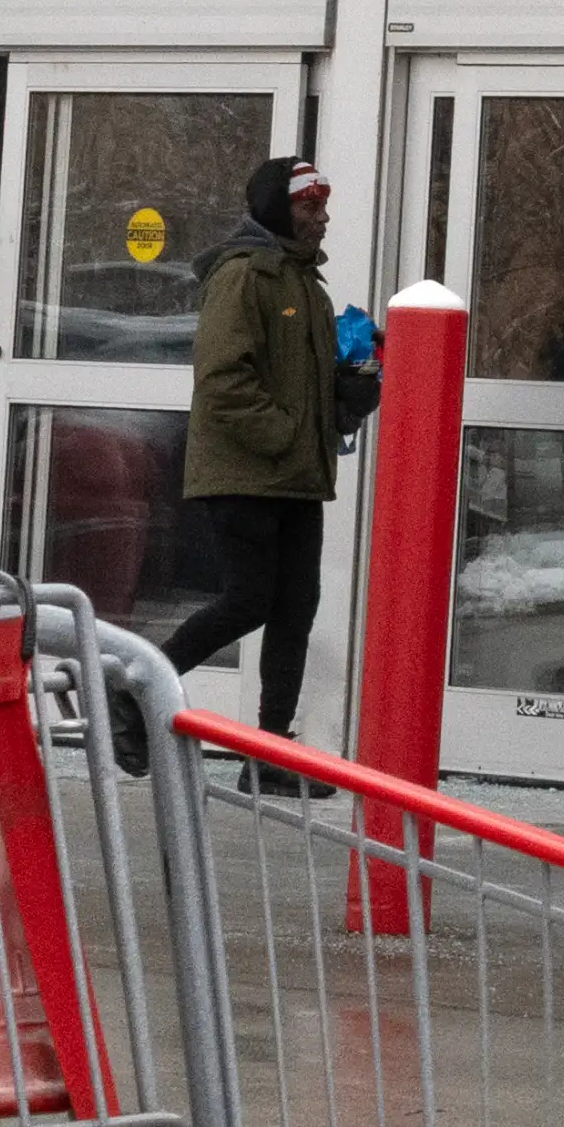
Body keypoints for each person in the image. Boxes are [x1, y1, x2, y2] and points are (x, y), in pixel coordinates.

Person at [170, 152, 340, 734]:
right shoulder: (243, 274)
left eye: (323, 205)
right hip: (246, 474)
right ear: (276, 208)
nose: (320, 217)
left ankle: (271, 753)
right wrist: (286, 435)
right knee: (248, 602)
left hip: (296, 477)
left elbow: (306, 385)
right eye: (307, 205)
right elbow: (221, 379)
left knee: (294, 614)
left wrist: (355, 387)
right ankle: (131, 693)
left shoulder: (305, 283)